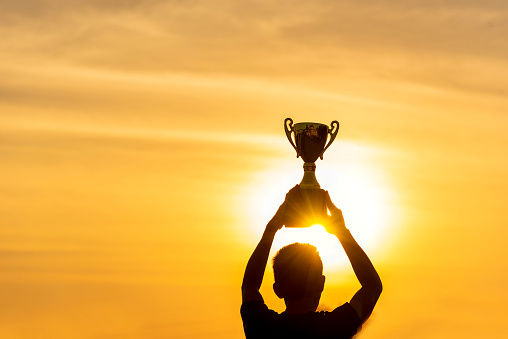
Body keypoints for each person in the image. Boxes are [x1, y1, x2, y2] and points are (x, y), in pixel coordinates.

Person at [241, 186, 383, 338]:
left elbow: (249, 286)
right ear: (322, 283)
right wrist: (342, 232)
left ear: (277, 289)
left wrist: (270, 230)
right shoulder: (335, 327)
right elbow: (372, 286)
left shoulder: (262, 326)